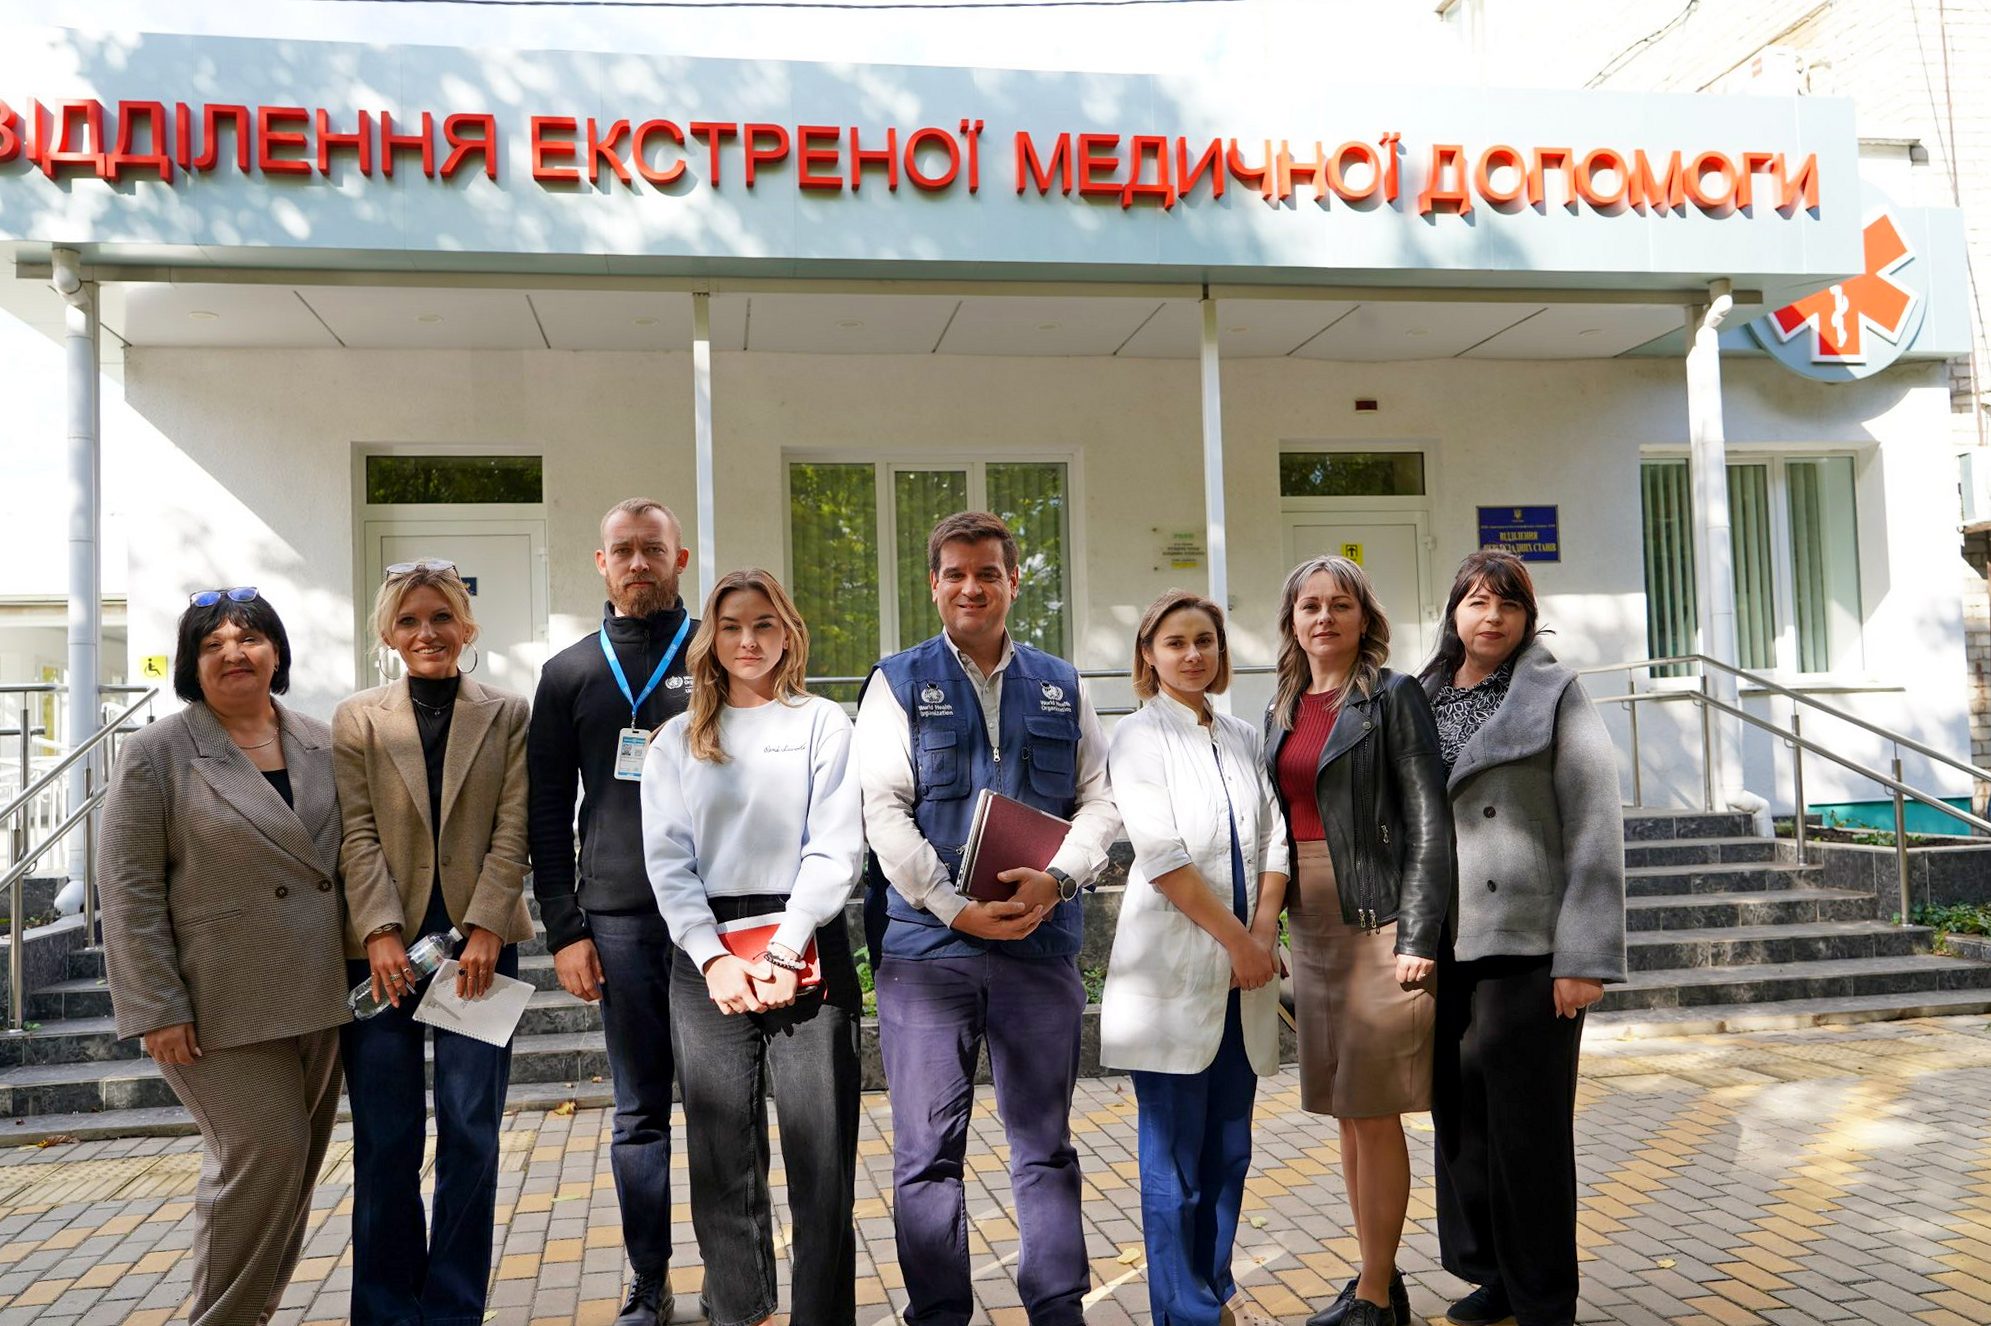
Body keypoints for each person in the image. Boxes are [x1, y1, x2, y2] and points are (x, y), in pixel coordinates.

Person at [856, 510, 1121, 1326]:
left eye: (988, 573)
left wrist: (1059, 879)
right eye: (955, 574)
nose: (971, 587)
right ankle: (939, 1313)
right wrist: (952, 907)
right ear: (933, 584)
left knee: (1044, 1145)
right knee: (925, 1153)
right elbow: (881, 809)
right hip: (928, 953)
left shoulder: (1061, 683)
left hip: (1038, 949)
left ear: (1013, 582)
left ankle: (1057, 1308)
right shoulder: (896, 681)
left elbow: (1100, 799)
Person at [99, 588, 349, 1326]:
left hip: (319, 993)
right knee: (262, 1159)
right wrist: (155, 1006)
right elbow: (128, 887)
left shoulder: (323, 741)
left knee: (293, 1171)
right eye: (212, 645)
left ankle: (252, 1313)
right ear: (191, 663)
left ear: (277, 652)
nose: (234, 653)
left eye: (249, 639)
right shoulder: (157, 752)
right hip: (216, 1005)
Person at [642, 568, 866, 1326]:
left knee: (821, 1158)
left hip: (804, 940)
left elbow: (836, 846)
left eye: (764, 624)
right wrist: (712, 957)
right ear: (711, 637)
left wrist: (782, 951)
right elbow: (666, 859)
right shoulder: (677, 738)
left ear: (788, 633)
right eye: (732, 626)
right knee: (721, 1159)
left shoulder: (823, 722)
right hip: (707, 954)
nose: (748, 640)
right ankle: (743, 1314)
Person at [1418, 550, 1626, 1326]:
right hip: (1440, 942)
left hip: (1529, 946)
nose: (1491, 616)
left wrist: (1583, 957)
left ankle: (1543, 1298)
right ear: (1454, 612)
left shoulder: (1554, 692)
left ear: (1527, 616)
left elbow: (1594, 822)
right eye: (1476, 601)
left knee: (1527, 1132)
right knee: (1461, 1124)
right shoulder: (1421, 694)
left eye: (1507, 603)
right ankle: (1495, 1275)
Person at [333, 559, 536, 1326]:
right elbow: (355, 831)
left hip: (479, 949)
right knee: (386, 1138)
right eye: (410, 620)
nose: (427, 632)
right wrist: (379, 930)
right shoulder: (357, 718)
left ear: (467, 626)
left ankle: (453, 1309)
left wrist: (487, 926)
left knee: (470, 1133)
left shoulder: (507, 713)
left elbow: (514, 828)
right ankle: (387, 1310)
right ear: (389, 634)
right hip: (380, 954)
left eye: (441, 616)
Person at [1263, 555, 1454, 1326]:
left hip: (1379, 924)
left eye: (1339, 604)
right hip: (1309, 924)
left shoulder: (1391, 696)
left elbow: (1429, 821)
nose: (1323, 617)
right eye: (1309, 605)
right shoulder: (1281, 705)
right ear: (1292, 620)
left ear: (1363, 617)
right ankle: (1376, 1275)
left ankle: (1375, 1292)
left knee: (1374, 1112)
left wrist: (1419, 931)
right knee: (1345, 1111)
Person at [528, 498, 698, 1325]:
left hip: (716, 916)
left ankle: (739, 1279)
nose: (637, 563)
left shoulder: (715, 652)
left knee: (727, 1107)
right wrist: (565, 929)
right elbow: (544, 809)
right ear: (601, 563)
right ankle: (649, 1280)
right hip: (620, 920)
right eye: (622, 550)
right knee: (638, 1115)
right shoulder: (568, 673)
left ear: (679, 559)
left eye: (652, 549)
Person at [1100, 590, 1289, 1326]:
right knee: (1173, 1164)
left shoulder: (1241, 734)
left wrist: (1263, 933)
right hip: (1175, 977)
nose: (1192, 654)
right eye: (1175, 643)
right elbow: (1162, 856)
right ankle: (1186, 1313)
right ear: (1148, 654)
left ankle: (1213, 1291)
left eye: (1204, 640)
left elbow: (1274, 838)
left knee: (1229, 1153)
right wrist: (1241, 942)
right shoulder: (1136, 736)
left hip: (1245, 974)